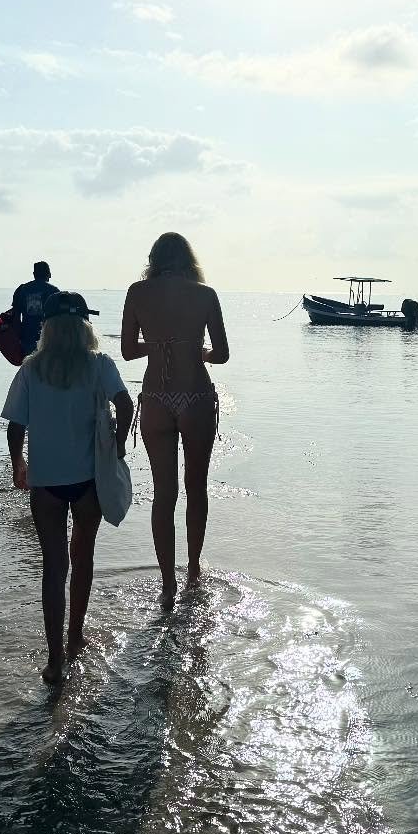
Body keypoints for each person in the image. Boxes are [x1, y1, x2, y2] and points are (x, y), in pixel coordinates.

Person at [3, 291, 134, 684]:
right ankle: (76, 634)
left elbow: (15, 425)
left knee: (53, 567)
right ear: (84, 326)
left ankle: (55, 659)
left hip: (46, 484)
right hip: (89, 480)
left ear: (48, 327)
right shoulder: (99, 364)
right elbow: (125, 404)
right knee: (83, 559)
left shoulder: (31, 368)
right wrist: (119, 443)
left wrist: (18, 463)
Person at [120, 233, 229, 611]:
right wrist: (193, 349)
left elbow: (127, 350)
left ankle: (167, 583)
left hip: (155, 398)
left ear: (153, 259)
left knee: (163, 493)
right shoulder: (205, 294)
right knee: (196, 487)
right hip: (196, 395)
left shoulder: (137, 292)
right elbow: (224, 354)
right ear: (189, 259)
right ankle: (194, 571)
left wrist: (159, 345)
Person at [12, 261, 59, 357]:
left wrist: (19, 337)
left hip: (27, 340)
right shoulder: (54, 292)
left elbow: (15, 316)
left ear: (34, 274)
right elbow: (60, 319)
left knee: (29, 369)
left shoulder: (22, 290)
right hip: (48, 341)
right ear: (49, 274)